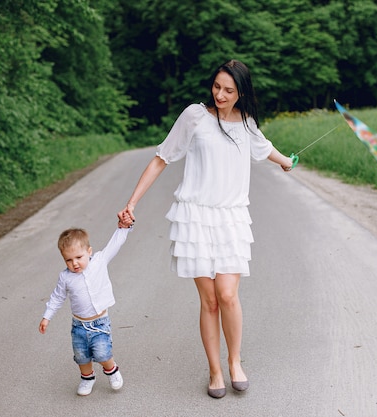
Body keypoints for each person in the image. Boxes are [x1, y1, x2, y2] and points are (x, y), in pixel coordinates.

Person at [117, 59, 294, 399]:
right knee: (210, 300)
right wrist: (132, 202)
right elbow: (161, 158)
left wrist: (286, 161)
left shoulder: (246, 123)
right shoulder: (195, 116)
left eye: (229, 90)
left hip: (231, 218)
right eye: (217, 87)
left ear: (241, 92)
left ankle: (234, 361)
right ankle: (214, 370)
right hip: (195, 217)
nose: (221, 94)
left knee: (228, 294)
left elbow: (264, 147)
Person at [39, 214, 134, 396]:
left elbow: (115, 244)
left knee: (102, 353)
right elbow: (57, 297)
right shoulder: (65, 277)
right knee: (81, 356)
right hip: (79, 325)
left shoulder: (99, 261)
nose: (74, 263)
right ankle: (87, 378)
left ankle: (112, 370)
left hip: (100, 323)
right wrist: (47, 316)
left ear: (89, 251)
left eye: (78, 257)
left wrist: (124, 227)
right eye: (68, 260)